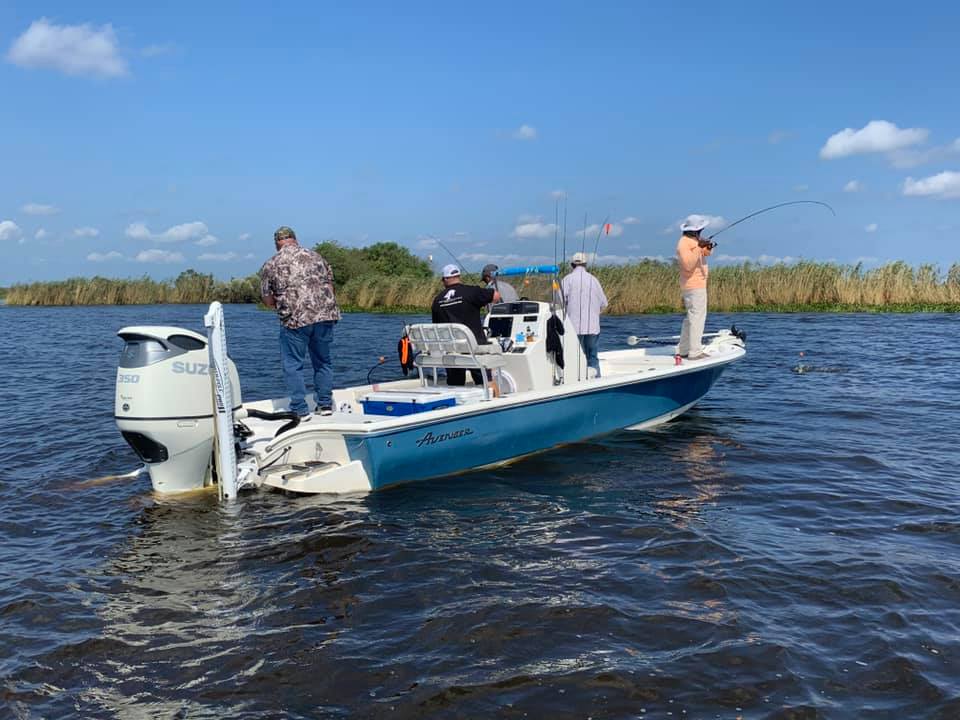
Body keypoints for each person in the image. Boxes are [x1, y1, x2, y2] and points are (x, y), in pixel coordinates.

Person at [260, 226, 340, 418]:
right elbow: (330, 287)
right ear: (295, 239)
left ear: (276, 243)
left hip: (295, 320)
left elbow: (268, 300)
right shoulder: (317, 257)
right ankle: (325, 405)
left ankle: (300, 409)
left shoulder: (271, 264)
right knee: (323, 361)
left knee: (293, 364)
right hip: (324, 316)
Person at [431, 264, 500, 387]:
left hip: (452, 350)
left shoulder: (437, 300)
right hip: (474, 348)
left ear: (445, 279)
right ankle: (493, 397)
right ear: (458, 276)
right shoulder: (472, 291)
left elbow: (436, 326)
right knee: (485, 379)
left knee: (455, 381)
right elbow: (496, 296)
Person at [561, 251, 608, 377]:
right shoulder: (594, 280)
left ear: (572, 265)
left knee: (576, 358)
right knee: (592, 356)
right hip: (593, 326)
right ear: (585, 264)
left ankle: (578, 381)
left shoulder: (567, 279)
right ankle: (596, 380)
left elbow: (559, 301)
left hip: (574, 327)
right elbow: (604, 303)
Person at [676, 217, 713, 361]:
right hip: (694, 286)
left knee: (691, 318)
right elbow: (688, 265)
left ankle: (684, 350)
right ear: (695, 230)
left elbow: (703, 254)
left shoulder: (693, 241)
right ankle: (695, 352)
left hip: (697, 285)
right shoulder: (683, 244)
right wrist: (699, 247)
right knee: (697, 318)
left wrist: (706, 246)